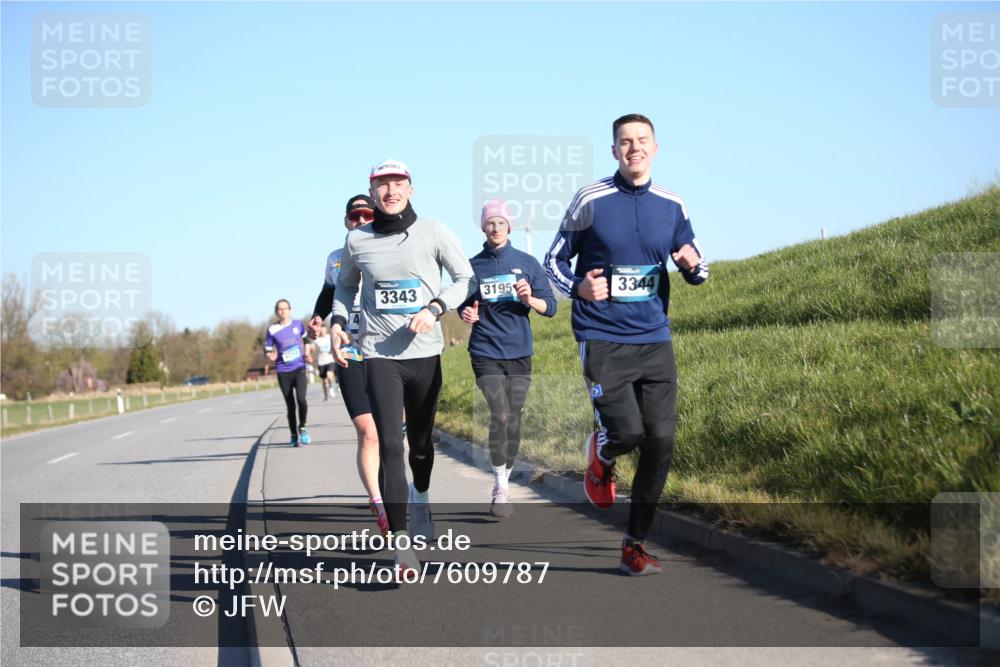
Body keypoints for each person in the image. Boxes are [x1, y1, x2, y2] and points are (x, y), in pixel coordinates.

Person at [544, 114, 709, 576]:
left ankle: (634, 544)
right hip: (602, 336)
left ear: (656, 147)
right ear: (614, 151)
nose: (633, 148)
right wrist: (578, 287)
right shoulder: (590, 200)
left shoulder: (672, 205)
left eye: (642, 141)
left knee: (661, 442)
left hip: (655, 337)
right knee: (629, 434)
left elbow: (699, 265)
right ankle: (603, 453)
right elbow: (553, 259)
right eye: (624, 142)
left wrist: (692, 266)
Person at [330, 159, 476, 574]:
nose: (390, 191)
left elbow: (465, 279)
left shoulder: (434, 231)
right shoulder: (357, 241)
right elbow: (345, 286)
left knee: (423, 446)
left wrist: (435, 308)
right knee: (391, 445)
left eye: (398, 183)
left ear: (410, 188)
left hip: (425, 352)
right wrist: (339, 322)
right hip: (378, 354)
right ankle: (401, 544)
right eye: (382, 185)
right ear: (372, 191)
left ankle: (423, 498)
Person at [460, 199, 556, 518]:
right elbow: (464, 304)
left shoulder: (527, 263)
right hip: (485, 350)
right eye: (490, 223)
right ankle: (500, 485)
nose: (496, 228)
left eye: (501, 222)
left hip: (519, 352)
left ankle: (506, 477)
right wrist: (466, 312)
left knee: (513, 420)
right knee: (499, 415)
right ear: (483, 227)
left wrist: (530, 299)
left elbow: (551, 307)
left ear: (509, 226)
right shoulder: (472, 266)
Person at [309, 194, 387, 535]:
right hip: (350, 352)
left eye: (367, 215)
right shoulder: (335, 259)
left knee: (392, 436)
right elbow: (329, 292)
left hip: (387, 351)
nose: (361, 221)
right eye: (355, 216)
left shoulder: (387, 249)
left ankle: (394, 490)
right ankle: (379, 503)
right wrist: (317, 316)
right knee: (368, 433)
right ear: (346, 221)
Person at [264, 299, 313, 447]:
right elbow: (267, 348)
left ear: (290, 310)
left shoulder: (298, 324)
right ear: (276, 312)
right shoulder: (272, 330)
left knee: (302, 400)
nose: (282, 311)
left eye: (285, 308)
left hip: (299, 368)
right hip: (283, 371)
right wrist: (270, 355)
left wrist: (307, 353)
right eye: (279, 309)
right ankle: (293, 434)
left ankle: (302, 427)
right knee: (290, 406)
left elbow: (307, 341)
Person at [308, 324, 337, 401]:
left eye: (324, 329)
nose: (323, 331)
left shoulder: (329, 337)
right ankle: (325, 395)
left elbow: (336, 344)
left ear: (326, 330)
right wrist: (309, 351)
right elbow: (312, 348)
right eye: (321, 329)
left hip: (330, 360)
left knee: (329, 375)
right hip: (321, 362)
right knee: (324, 380)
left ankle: (331, 387)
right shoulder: (317, 340)